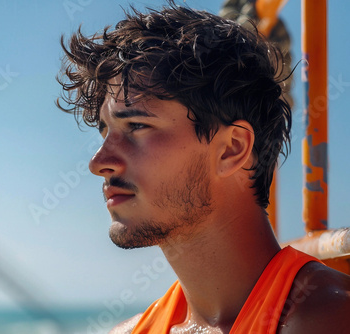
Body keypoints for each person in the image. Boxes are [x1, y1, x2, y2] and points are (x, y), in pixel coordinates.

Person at [57, 2, 350, 333]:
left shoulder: (328, 318)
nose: (99, 163)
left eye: (137, 126)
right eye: (105, 132)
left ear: (231, 148)